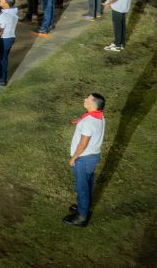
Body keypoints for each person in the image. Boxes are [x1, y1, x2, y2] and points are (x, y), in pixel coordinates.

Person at [64, 92, 106, 227]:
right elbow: (90, 124)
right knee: (88, 183)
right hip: (92, 158)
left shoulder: (88, 123)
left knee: (82, 187)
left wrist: (74, 158)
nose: (85, 99)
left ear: (93, 104)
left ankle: (82, 217)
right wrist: (80, 121)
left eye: (88, 98)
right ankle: (84, 205)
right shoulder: (98, 116)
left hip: (84, 159)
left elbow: (83, 144)